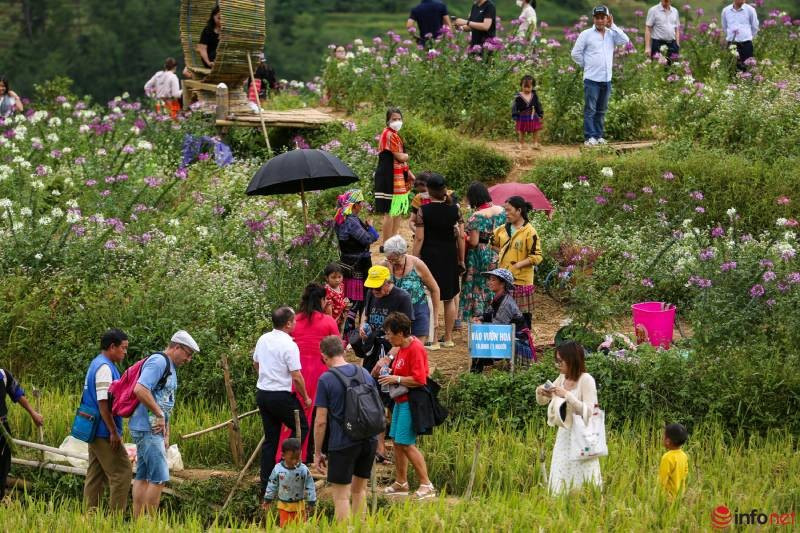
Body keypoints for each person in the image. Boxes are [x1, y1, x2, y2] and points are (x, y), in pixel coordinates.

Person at [131, 330, 199, 517]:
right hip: (148, 428)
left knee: (143, 475)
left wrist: (166, 432)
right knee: (160, 477)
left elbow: (163, 401)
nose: (189, 359)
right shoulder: (159, 362)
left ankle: (138, 522)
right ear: (177, 347)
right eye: (188, 354)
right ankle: (149, 522)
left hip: (153, 429)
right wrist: (159, 415)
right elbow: (140, 389)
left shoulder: (170, 366)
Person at [314, 335, 378, 521]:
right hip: (368, 440)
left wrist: (318, 452)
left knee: (342, 496)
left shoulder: (326, 379)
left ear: (324, 356)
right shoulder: (363, 372)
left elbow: (320, 421)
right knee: (360, 491)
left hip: (343, 443)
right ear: (343, 351)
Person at [276, 284, 339, 463]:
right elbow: (337, 348)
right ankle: (306, 456)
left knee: (292, 417)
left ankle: (284, 456)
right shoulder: (328, 321)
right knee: (317, 415)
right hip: (321, 371)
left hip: (297, 372)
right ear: (321, 300)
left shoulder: (294, 321)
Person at [253, 307, 312, 496]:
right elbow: (296, 375)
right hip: (280, 395)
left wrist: (266, 377)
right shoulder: (289, 344)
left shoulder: (263, 339)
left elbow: (256, 363)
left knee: (270, 439)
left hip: (263, 393)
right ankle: (286, 466)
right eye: (294, 321)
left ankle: (266, 485)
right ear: (288, 324)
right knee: (301, 426)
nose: (295, 324)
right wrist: (306, 397)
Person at [377, 312, 436, 500]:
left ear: (400, 333)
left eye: (389, 334)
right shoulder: (400, 347)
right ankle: (401, 482)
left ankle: (426, 484)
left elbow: (420, 378)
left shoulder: (415, 348)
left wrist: (396, 378)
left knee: (406, 443)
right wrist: (389, 372)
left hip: (412, 402)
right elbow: (401, 370)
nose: (387, 338)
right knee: (395, 441)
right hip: (399, 401)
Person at [535, 341, 601, 494]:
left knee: (583, 478)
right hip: (564, 436)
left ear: (572, 360)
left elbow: (589, 413)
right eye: (556, 361)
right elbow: (544, 402)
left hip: (583, 437)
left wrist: (567, 395)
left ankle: (586, 504)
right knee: (561, 474)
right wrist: (542, 392)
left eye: (561, 361)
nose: (558, 365)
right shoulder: (562, 378)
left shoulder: (586, 380)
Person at [82, 329, 133, 513]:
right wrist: (113, 431)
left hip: (92, 427)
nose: (125, 352)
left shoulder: (98, 363)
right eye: (123, 348)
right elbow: (103, 403)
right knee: (122, 472)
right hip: (102, 430)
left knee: (96, 473)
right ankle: (115, 520)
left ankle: (90, 515)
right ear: (112, 347)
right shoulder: (104, 368)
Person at [412, 173, 464, 347]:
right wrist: (461, 259)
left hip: (430, 257)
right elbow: (461, 238)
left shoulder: (423, 211)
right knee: (449, 298)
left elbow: (419, 238)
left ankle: (433, 339)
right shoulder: (455, 209)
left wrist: (414, 258)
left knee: (430, 297)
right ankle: (448, 338)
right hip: (449, 255)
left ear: (428, 190)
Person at [570, 5, 631, 146]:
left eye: (602, 18)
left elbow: (625, 40)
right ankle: (589, 137)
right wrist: (587, 65)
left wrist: (613, 25)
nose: (599, 20)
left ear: (607, 18)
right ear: (594, 19)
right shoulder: (586, 34)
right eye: (597, 18)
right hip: (591, 79)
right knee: (590, 109)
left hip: (606, 79)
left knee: (601, 110)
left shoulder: (611, 34)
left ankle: (598, 136)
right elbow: (575, 53)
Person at [381, 235, 441, 347]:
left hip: (418, 311)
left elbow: (435, 289)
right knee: (395, 353)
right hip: (395, 317)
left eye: (395, 259)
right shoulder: (384, 265)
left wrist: (435, 317)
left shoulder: (417, 264)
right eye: (389, 258)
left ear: (403, 253)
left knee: (415, 349)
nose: (392, 262)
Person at [351, 266, 414, 373]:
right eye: (371, 287)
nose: (374, 291)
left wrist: (388, 358)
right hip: (372, 346)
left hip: (392, 350)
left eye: (377, 288)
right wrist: (363, 325)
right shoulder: (371, 293)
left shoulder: (402, 297)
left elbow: (405, 335)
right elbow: (366, 313)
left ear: (387, 282)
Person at [492, 196, 542, 329]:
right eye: (505, 210)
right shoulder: (502, 229)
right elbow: (493, 244)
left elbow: (537, 256)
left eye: (509, 210)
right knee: (503, 314)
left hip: (521, 281)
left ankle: (524, 343)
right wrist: (503, 253)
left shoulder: (530, 231)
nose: (506, 213)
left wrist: (519, 264)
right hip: (504, 279)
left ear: (519, 210)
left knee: (521, 317)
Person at [334, 189, 379, 338]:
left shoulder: (340, 219)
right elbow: (369, 239)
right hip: (359, 264)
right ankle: (352, 334)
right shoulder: (352, 221)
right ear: (354, 205)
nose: (362, 206)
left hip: (346, 264)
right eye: (360, 203)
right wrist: (370, 227)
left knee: (351, 299)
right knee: (360, 300)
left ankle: (349, 333)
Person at [460, 182, 506, 324]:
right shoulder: (501, 210)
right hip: (496, 251)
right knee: (494, 283)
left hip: (480, 253)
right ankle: (495, 313)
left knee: (479, 286)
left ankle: (479, 316)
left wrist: (462, 235)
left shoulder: (476, 216)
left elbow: (473, 242)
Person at [471, 269, 535, 371]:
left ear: (502, 284)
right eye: (490, 280)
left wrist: (481, 325)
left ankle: (475, 373)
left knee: (480, 339)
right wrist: (479, 318)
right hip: (507, 336)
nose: (489, 282)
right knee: (479, 337)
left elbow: (497, 328)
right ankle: (476, 372)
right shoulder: (498, 298)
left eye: (493, 280)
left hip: (517, 343)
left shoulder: (506, 303)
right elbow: (488, 314)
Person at [1, 367, 44, 502]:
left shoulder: (3, 375)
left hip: (2, 428)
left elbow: (17, 394)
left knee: (3, 464)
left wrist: (33, 413)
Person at [374, 108, 414, 250]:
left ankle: (394, 242)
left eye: (399, 119)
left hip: (395, 177)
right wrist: (406, 156)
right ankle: (386, 244)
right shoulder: (389, 134)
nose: (397, 122)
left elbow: (401, 159)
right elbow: (400, 157)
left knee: (396, 211)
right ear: (388, 121)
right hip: (388, 177)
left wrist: (408, 171)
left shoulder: (395, 135)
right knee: (390, 212)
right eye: (393, 119)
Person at [263, 438, 316, 527]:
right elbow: (272, 484)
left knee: (300, 527)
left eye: (297, 458)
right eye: (292, 458)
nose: (295, 461)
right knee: (285, 527)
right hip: (284, 505)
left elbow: (310, 485)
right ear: (283, 456)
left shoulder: (303, 469)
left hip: (299, 505)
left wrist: (311, 500)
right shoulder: (278, 469)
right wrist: (268, 499)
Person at [721, 0, 759, 72]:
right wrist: (732, 37)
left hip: (746, 45)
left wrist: (748, 38)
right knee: (731, 69)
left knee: (747, 69)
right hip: (731, 45)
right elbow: (724, 27)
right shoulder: (726, 11)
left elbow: (755, 27)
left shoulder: (750, 10)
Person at [511, 75, 544, 149]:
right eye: (524, 86)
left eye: (528, 87)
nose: (526, 89)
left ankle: (535, 143)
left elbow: (538, 105)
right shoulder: (518, 96)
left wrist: (540, 114)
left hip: (533, 115)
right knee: (522, 130)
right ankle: (521, 143)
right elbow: (514, 106)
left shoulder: (534, 96)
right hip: (522, 116)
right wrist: (515, 115)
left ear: (532, 86)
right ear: (521, 86)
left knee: (535, 129)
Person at [659, 423, 689, 499]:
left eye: (663, 436)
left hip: (668, 499)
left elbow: (662, 480)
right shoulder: (683, 455)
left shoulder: (667, 457)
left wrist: (658, 496)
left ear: (667, 441)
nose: (662, 438)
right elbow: (685, 473)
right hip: (679, 496)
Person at [323, 263, 348, 330]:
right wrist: (331, 323)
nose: (337, 280)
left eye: (339, 277)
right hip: (332, 319)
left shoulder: (341, 286)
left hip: (340, 317)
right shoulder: (327, 290)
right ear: (327, 278)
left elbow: (341, 299)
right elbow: (328, 309)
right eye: (333, 277)